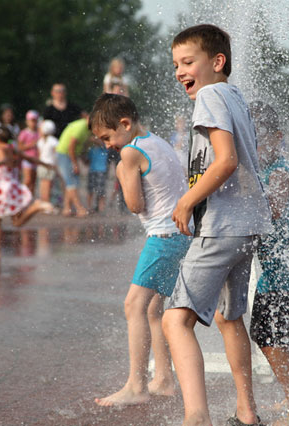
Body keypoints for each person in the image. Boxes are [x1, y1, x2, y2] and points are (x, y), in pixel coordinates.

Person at [162, 24, 272, 426]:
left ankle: (197, 418)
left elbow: (225, 160)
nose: (179, 71)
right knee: (228, 317)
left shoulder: (209, 95)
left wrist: (188, 200)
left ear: (217, 62)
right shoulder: (235, 96)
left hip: (222, 226)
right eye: (175, 65)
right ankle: (247, 414)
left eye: (187, 62)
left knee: (175, 319)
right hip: (248, 225)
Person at [89, 93, 191, 407]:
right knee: (151, 310)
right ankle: (164, 378)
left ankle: (136, 385)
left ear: (125, 123)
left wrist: (122, 174)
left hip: (162, 238)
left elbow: (135, 205)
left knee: (134, 305)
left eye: (107, 137)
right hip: (181, 236)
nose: (107, 145)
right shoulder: (157, 141)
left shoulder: (131, 154)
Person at [248, 102, 289, 424]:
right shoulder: (264, 170)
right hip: (276, 273)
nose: (255, 148)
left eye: (259, 139)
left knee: (272, 342)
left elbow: (272, 210)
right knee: (267, 338)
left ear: (277, 137)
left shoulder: (279, 173)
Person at [0, 126, 57, 261]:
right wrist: (44, 164)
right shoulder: (12, 148)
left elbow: (6, 161)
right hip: (11, 186)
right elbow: (29, 158)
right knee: (15, 222)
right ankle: (35, 207)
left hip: (3, 188)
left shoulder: (2, 149)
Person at [56, 116, 91, 217]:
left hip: (69, 154)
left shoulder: (87, 129)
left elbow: (80, 146)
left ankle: (67, 208)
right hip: (64, 153)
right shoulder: (80, 127)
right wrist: (75, 164)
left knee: (70, 181)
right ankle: (79, 208)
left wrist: (83, 158)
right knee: (71, 181)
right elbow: (71, 147)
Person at [17, 110, 40, 193]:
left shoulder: (39, 132)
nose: (33, 123)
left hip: (36, 160)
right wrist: (31, 145)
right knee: (27, 180)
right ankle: (22, 196)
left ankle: (30, 199)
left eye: (35, 121)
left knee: (33, 182)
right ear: (27, 121)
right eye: (32, 121)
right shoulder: (24, 133)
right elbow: (19, 147)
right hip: (27, 159)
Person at [36, 120, 58, 203]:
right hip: (50, 165)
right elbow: (56, 155)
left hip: (41, 165)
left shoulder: (40, 140)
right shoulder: (54, 141)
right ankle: (47, 203)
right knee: (48, 185)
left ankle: (43, 202)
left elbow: (39, 154)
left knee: (42, 185)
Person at [86, 138, 108, 213]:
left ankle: (101, 208)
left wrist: (93, 139)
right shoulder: (92, 149)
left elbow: (101, 143)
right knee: (90, 190)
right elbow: (87, 160)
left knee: (101, 191)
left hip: (101, 170)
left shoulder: (104, 148)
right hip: (92, 170)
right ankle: (89, 207)